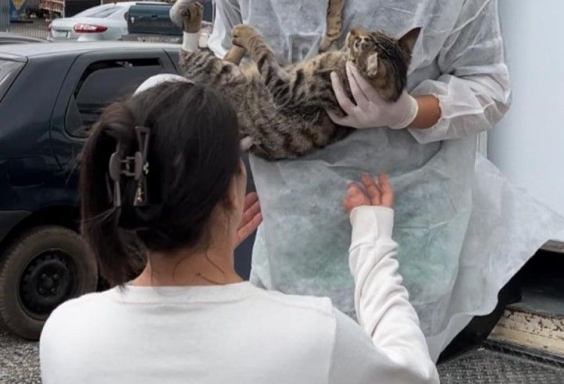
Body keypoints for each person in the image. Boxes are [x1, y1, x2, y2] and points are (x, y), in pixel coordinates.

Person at [206, 0, 564, 359]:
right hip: (292, 226)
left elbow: (490, 88)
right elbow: (229, 70)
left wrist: (408, 112)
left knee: (393, 360)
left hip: (405, 225)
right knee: (293, 361)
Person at [39, 80, 439, 384]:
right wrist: (373, 244)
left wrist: (200, 252)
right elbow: (414, 373)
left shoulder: (67, 331)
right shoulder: (312, 335)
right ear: (233, 188)